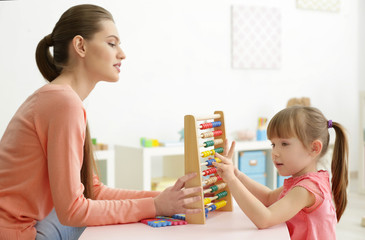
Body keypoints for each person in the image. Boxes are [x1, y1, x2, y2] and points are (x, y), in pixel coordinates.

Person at [0, 4, 201, 240]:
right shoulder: (64, 103)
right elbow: (73, 212)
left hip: (20, 227)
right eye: (112, 43)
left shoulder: (59, 97)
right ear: (80, 46)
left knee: (119, 217)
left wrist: (162, 200)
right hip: (18, 234)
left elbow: (93, 190)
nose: (122, 54)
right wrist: (155, 207)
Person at [213, 106, 348, 239]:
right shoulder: (306, 180)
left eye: (284, 144)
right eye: (273, 144)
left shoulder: (306, 189)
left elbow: (265, 219)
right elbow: (268, 198)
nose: (275, 153)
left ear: (314, 148)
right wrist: (237, 174)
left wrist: (231, 180)